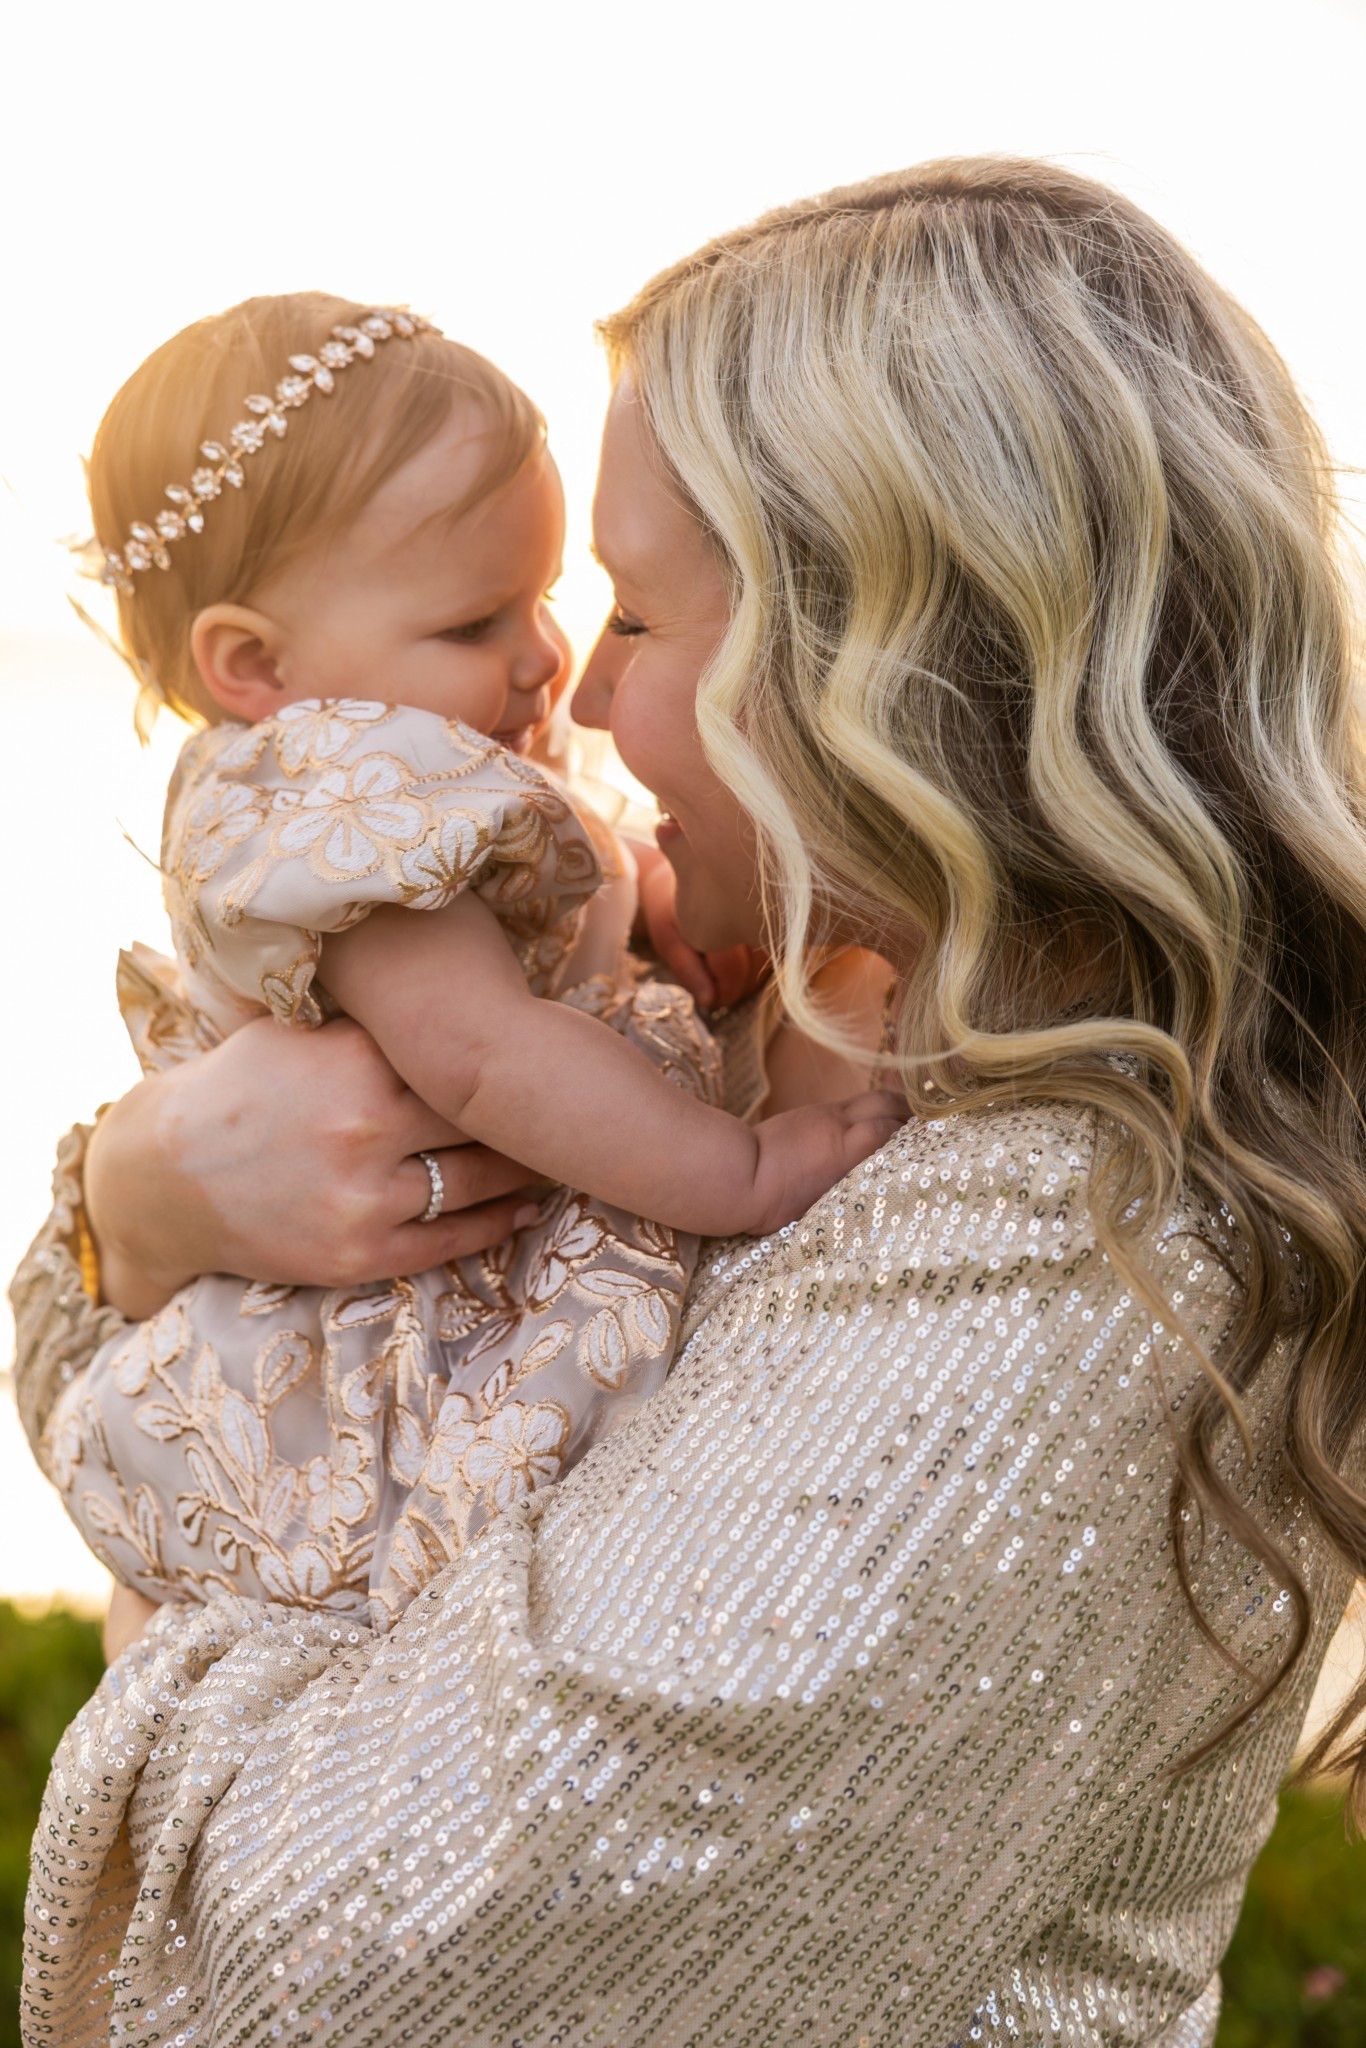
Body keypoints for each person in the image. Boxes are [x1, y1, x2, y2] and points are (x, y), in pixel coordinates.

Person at [15, 157, 1366, 2047]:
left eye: (635, 616)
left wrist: (162, 1624)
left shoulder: (1065, 1252)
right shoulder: (774, 1025)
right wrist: (136, 1202)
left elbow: (336, 1968)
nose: (576, 699)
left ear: (874, 653)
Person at [39, 292, 897, 1629]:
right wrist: (739, 1172)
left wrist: (642, 891)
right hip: (371, 1348)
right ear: (254, 664)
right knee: (367, 1591)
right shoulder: (331, 796)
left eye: (545, 598)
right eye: (474, 624)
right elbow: (484, 1054)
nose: (547, 658)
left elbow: (539, 903)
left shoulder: (413, 768)